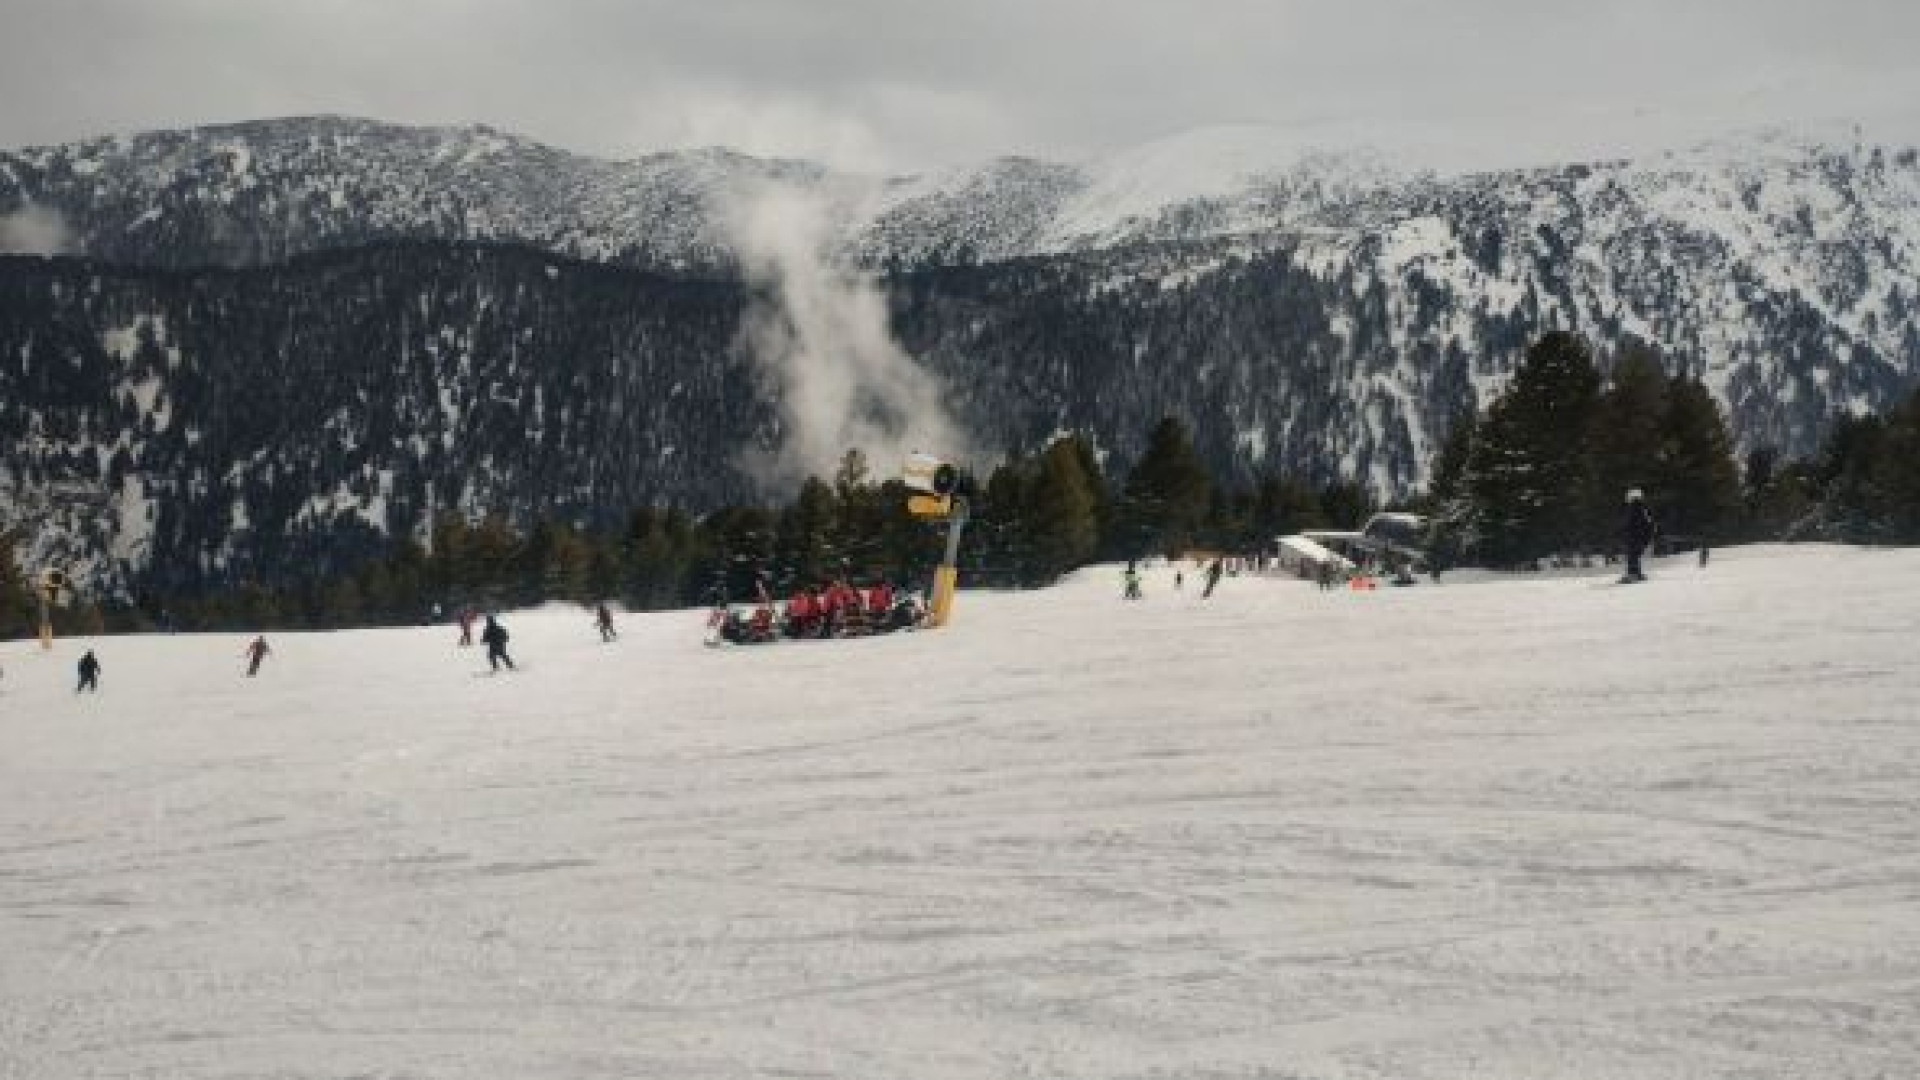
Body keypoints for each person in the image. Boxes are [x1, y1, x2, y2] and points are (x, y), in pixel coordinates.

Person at [1621, 488, 1657, 583]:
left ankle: (1633, 574)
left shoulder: (1634, 508)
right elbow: (1650, 522)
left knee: (1632, 555)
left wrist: (1626, 532)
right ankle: (1637, 573)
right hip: (1642, 536)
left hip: (1635, 536)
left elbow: (1630, 523)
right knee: (1634, 555)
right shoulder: (1644, 508)